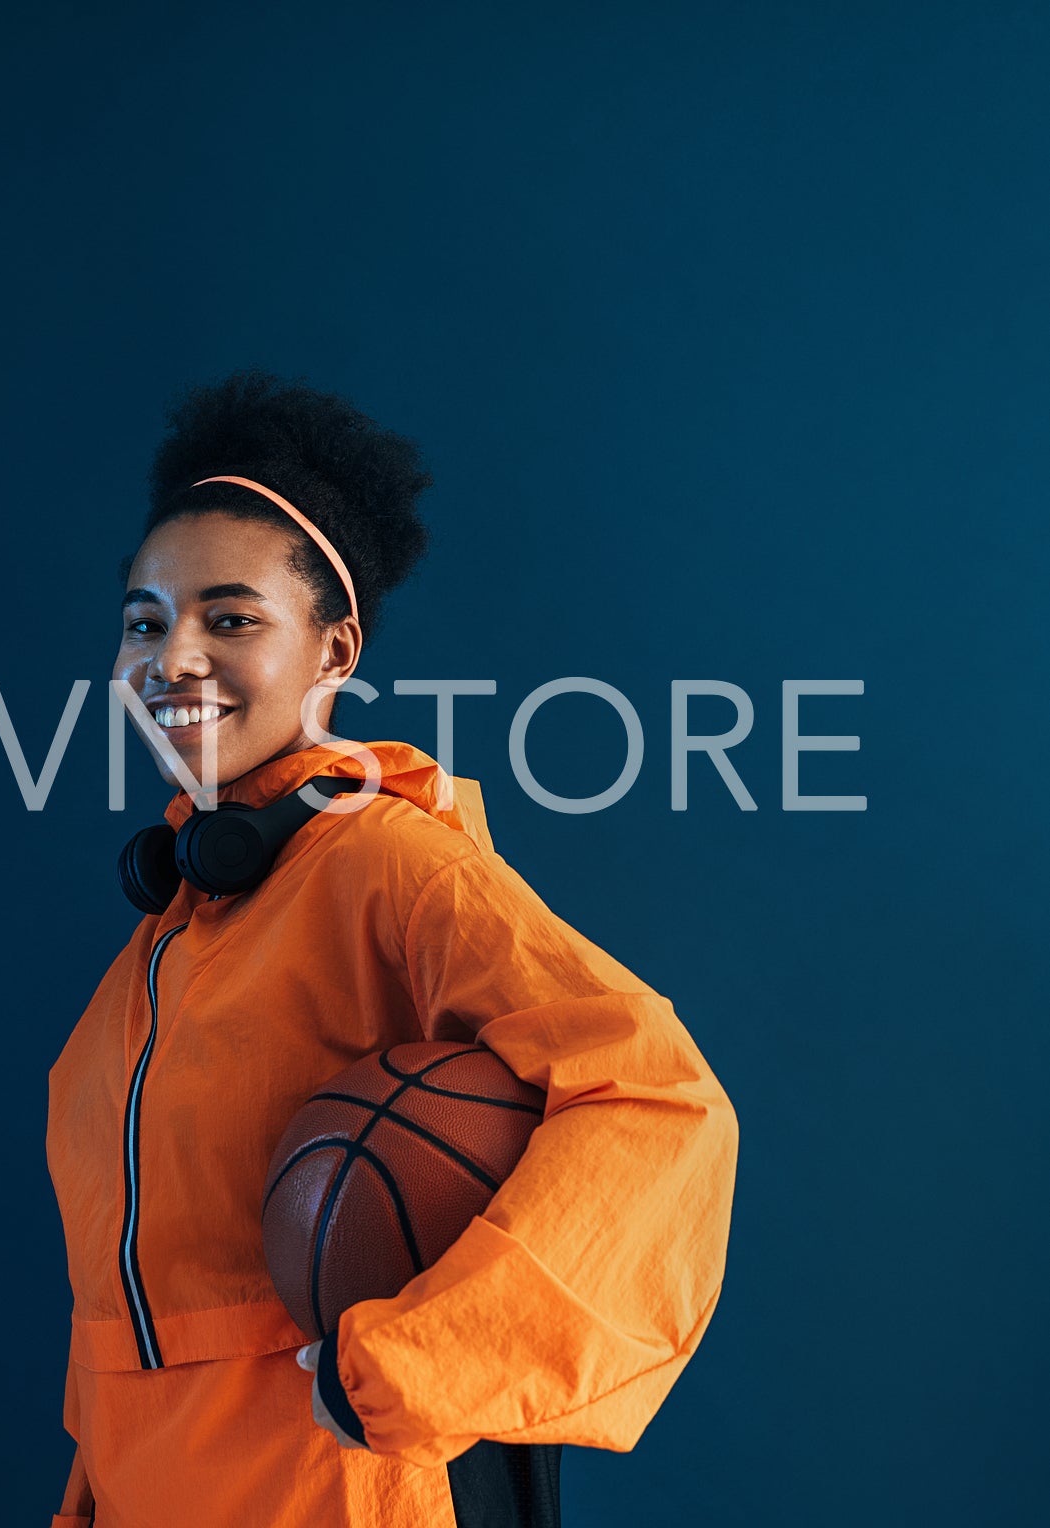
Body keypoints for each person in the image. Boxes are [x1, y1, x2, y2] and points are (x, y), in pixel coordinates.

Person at [45, 368, 739, 1527]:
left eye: (230, 617)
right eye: (143, 622)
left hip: (333, 1492)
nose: (173, 658)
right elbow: (130, 1325)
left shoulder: (386, 863)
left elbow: (656, 1100)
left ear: (332, 653)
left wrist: (424, 1361)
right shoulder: (166, 937)